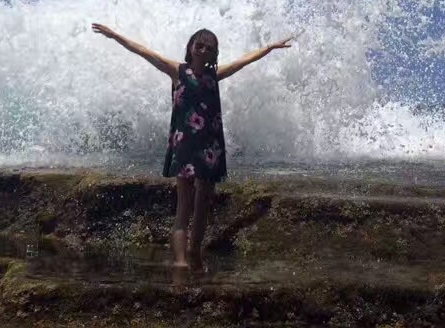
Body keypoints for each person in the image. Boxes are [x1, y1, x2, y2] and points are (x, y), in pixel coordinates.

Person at [90, 23, 293, 268]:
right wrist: (115, 35)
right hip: (185, 145)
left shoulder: (213, 76)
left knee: (202, 204)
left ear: (213, 54)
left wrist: (269, 48)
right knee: (184, 204)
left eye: (209, 48)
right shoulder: (178, 71)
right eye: (199, 46)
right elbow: (143, 51)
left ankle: (195, 254)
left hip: (209, 147)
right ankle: (181, 261)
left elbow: (243, 61)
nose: (203, 51)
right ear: (191, 47)